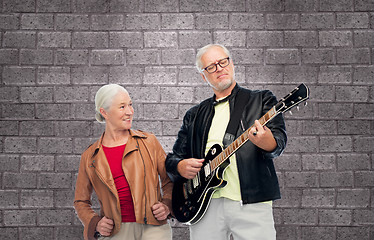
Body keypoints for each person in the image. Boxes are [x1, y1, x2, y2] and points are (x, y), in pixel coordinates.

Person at [165, 44, 287, 240]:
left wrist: (266, 141)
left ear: (232, 64)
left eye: (223, 61)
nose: (219, 68)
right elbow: (172, 159)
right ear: (203, 76)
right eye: (211, 66)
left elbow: (278, 143)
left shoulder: (261, 99)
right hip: (204, 204)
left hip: (251, 200)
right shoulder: (194, 115)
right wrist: (179, 165)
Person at [74, 84, 173, 240]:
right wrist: (95, 222)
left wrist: (167, 204)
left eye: (130, 105)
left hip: (154, 228)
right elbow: (81, 201)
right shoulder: (90, 156)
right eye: (122, 107)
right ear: (104, 112)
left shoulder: (149, 142)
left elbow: (170, 179)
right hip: (116, 233)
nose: (130, 112)